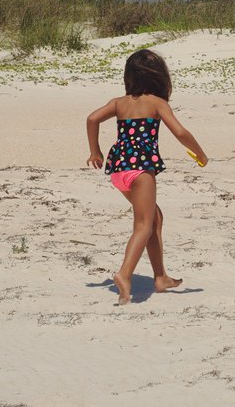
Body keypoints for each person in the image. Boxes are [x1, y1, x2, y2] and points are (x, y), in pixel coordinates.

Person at [87, 49, 208, 304]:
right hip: (141, 169)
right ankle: (124, 274)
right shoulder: (156, 103)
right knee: (143, 224)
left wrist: (95, 151)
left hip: (119, 170)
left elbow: (92, 118)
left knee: (154, 217)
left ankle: (161, 276)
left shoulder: (119, 102)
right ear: (159, 77)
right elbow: (180, 132)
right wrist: (201, 154)